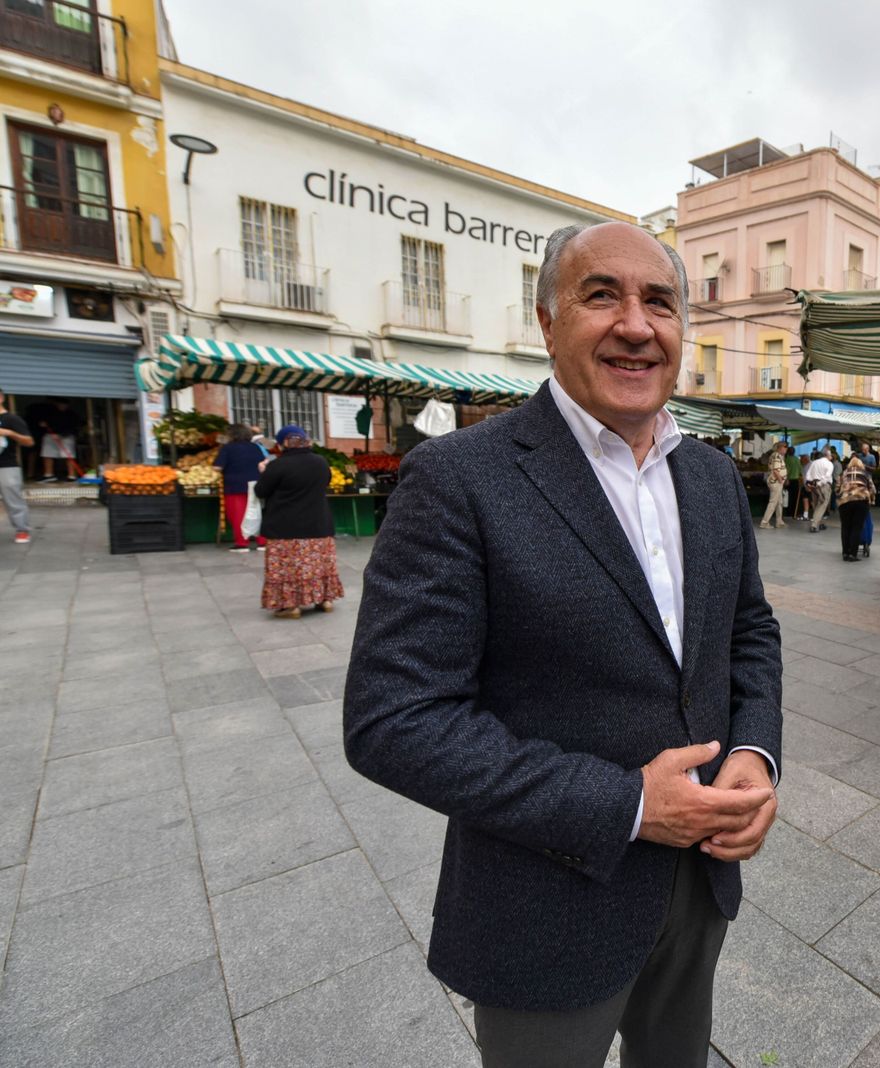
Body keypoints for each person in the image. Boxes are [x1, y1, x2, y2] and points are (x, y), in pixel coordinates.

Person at [344, 221, 781, 1068]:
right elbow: (393, 720)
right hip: (543, 903)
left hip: (699, 885)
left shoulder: (712, 476)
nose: (635, 324)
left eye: (659, 301)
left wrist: (757, 752)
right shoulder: (459, 479)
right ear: (546, 323)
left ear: (681, 331)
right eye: (601, 295)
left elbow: (749, 628)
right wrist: (624, 805)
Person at [254, 425, 343, 619]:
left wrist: (263, 471)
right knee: (319, 565)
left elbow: (261, 491)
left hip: (286, 528)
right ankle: (324, 599)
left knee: (288, 568)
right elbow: (325, 482)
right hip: (318, 526)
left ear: (282, 444)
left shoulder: (277, 465)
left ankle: (291, 606)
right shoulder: (320, 462)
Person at [214, 424, 268, 552]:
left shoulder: (227, 448)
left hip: (234, 485)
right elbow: (263, 463)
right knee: (256, 513)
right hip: (255, 484)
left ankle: (241, 543)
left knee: (238, 515)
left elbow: (218, 467)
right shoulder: (255, 447)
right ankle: (262, 542)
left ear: (232, 435)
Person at [0, 386, 35, 544]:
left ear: (1, 398)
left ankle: (22, 530)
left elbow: (29, 442)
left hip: (7, 465)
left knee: (13, 499)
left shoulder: (12, 419)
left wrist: (10, 433)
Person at [837, 448, 876, 562]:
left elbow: (837, 487)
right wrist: (872, 500)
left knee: (845, 527)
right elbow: (872, 488)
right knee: (856, 527)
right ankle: (853, 555)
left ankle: (845, 553)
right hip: (861, 500)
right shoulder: (865, 473)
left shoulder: (844, 473)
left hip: (845, 501)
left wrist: (840, 496)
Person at [35, 398, 80, 482]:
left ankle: (72, 476)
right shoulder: (49, 413)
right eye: (60, 404)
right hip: (50, 435)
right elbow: (41, 422)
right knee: (47, 454)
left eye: (64, 405)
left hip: (66, 436)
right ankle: (48, 475)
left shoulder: (71, 414)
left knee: (69, 456)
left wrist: (62, 435)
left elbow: (74, 426)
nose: (62, 406)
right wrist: (43, 425)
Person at [759, 441, 788, 529]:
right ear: (780, 448)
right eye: (785, 447)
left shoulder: (778, 455)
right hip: (776, 482)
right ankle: (764, 522)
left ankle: (779, 522)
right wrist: (780, 480)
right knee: (773, 502)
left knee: (779, 502)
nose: (786, 449)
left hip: (777, 482)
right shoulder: (777, 456)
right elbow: (776, 470)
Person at [806, 448, 834, 532]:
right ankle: (814, 525)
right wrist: (820, 483)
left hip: (813, 485)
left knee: (817, 505)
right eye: (831, 455)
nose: (831, 457)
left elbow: (808, 474)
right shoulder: (829, 464)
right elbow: (827, 476)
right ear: (827, 455)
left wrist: (809, 484)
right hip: (823, 485)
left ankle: (820, 523)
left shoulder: (814, 462)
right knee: (822, 505)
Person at [784, 441, 803, 522]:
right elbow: (800, 470)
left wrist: (786, 479)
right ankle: (795, 512)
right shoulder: (797, 459)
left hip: (789, 480)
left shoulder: (787, 459)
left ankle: (789, 512)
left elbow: (786, 471)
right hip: (796, 481)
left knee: (789, 497)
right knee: (795, 497)